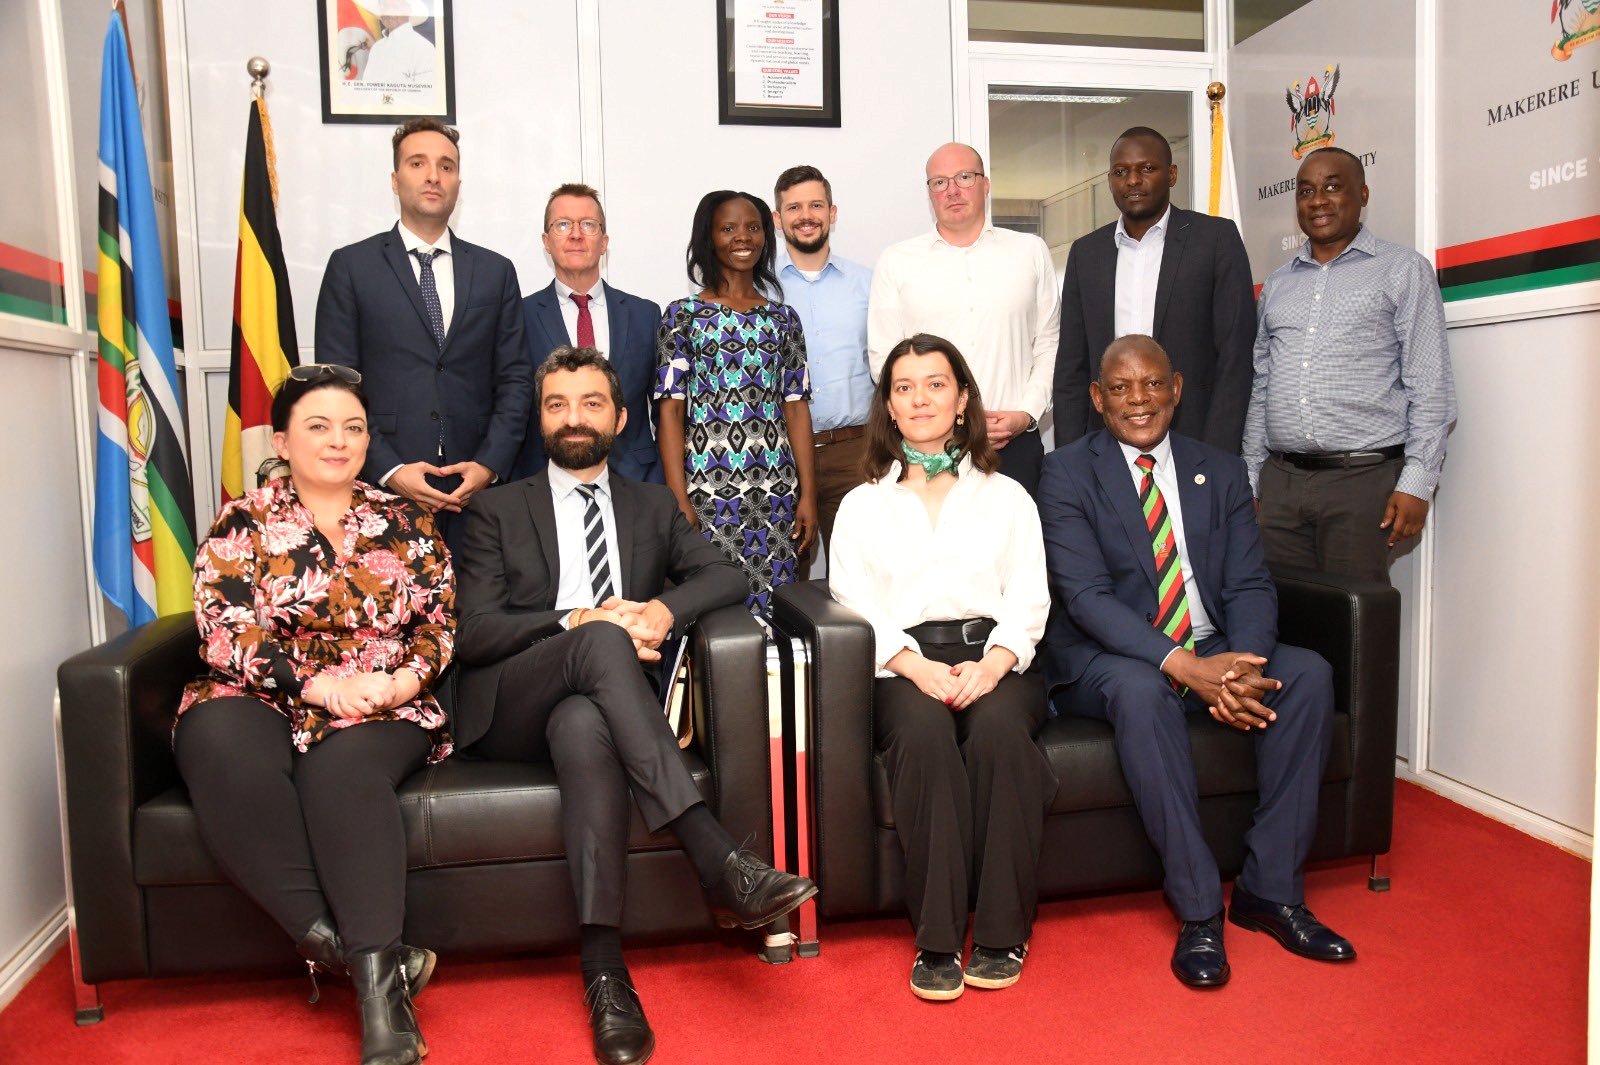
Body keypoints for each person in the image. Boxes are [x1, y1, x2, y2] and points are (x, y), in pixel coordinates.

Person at [455, 346, 818, 1065]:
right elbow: (475, 630)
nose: (573, 417)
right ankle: (716, 856)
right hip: (512, 704)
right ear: (541, 417)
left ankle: (604, 971)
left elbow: (723, 574)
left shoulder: (653, 504)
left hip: (599, 709)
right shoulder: (497, 509)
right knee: (596, 644)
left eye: (590, 402)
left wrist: (658, 609)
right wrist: (578, 621)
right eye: (557, 403)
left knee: (587, 719)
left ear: (619, 417)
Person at [1038, 335, 1355, 990]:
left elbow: (1248, 584)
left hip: (1212, 643)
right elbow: (1088, 598)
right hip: (1111, 654)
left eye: (1152, 383)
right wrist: (1181, 664)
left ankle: (1271, 889)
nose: (1139, 400)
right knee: (1143, 690)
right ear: (1098, 399)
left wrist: (1241, 665)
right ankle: (1199, 906)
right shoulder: (1066, 472)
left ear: (1176, 388)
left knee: (1309, 675)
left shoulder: (1221, 468)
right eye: (1121, 388)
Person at [173, 366, 453, 1065]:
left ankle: (377, 998)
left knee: (340, 776)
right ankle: (363, 962)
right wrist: (315, 683)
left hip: (377, 699)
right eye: (319, 426)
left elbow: (440, 622)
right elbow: (222, 626)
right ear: (282, 438)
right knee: (218, 744)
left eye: (353, 427)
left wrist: (398, 681)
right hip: (261, 690)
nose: (339, 441)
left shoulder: (406, 520)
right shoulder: (245, 518)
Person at [829, 334, 1055, 1002]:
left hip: (997, 656)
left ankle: (1001, 932)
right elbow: (852, 602)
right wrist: (914, 666)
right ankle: (936, 940)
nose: (920, 397)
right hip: (900, 664)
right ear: (889, 407)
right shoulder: (864, 504)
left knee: (1000, 735)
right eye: (904, 387)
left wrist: (994, 663)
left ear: (962, 402)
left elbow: (1031, 596)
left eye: (935, 384)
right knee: (924, 738)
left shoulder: (1007, 495)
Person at [315, 117, 531, 556]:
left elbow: (516, 379)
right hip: (382, 491)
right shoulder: (351, 267)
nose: (434, 175)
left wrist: (489, 465)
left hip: (477, 495)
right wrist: (389, 468)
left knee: (479, 620)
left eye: (446, 166)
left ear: (458, 182)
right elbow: (335, 387)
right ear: (395, 180)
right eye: (418, 163)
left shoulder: (495, 271)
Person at [1245, 146, 1457, 583]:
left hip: (1363, 483)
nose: (1317, 200)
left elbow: (1430, 385)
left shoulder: (1402, 270)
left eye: (1332, 187)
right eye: (1306, 191)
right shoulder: (1279, 284)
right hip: (1281, 484)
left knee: (1357, 627)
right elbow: (1262, 387)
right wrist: (1251, 478)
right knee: (1282, 621)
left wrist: (1417, 481)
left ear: (1362, 194)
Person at [654, 189, 817, 617]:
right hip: (707, 488)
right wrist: (678, 499)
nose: (742, 237)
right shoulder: (681, 316)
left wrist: (808, 496)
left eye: (753, 227)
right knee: (715, 610)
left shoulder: (784, 319)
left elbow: (797, 409)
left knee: (780, 607)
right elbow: (669, 411)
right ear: (709, 238)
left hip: (776, 490)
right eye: (728, 228)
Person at [867, 143, 1059, 495]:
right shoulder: (897, 261)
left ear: (985, 185)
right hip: (929, 450)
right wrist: (933, 419)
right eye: (939, 182)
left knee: (1016, 549)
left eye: (964, 177)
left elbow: (1049, 345)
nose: (952, 190)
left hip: (1012, 446)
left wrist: (1026, 414)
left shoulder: (1029, 251)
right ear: (929, 194)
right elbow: (885, 361)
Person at [1052, 126, 1256, 453]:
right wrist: (1071, 460)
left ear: (1172, 174)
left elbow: (1235, 358)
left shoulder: (1215, 239)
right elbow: (1071, 368)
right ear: (1110, 181)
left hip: (1194, 440)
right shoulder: (1086, 253)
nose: (1133, 180)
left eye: (1147, 168)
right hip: (1105, 446)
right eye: (1121, 172)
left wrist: (1220, 453)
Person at [516, 183, 663, 483]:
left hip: (636, 480)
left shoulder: (645, 315)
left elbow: (665, 412)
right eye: (563, 225)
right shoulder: (518, 316)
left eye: (588, 225)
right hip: (545, 481)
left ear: (604, 241)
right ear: (546, 240)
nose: (576, 234)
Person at [772, 164, 873, 575]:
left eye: (815, 205)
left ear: (832, 212)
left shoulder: (869, 284)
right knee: (782, 580)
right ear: (778, 219)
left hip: (855, 453)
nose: (806, 215)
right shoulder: (759, 290)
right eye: (793, 207)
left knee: (864, 579)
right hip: (780, 457)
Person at [360, 0, 436, 85]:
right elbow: (366, 87)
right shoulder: (377, 48)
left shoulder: (423, 48)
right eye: (385, 7)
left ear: (408, 10)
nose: (389, 12)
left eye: (395, 7)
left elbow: (425, 93)